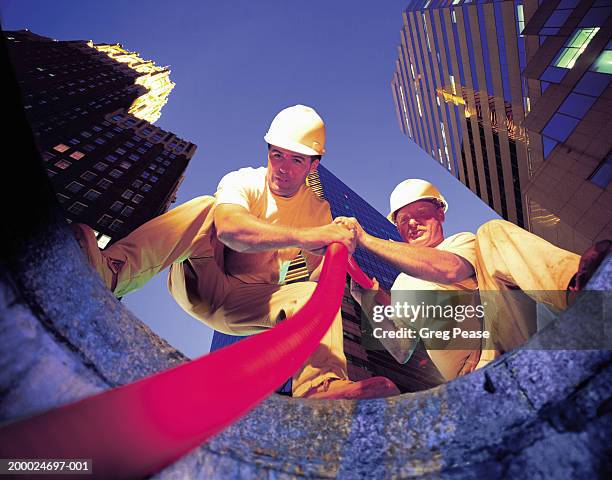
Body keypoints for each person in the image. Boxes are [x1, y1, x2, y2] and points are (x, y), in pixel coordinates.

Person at [72, 105, 399, 399]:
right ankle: (112, 273)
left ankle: (320, 385)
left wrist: (341, 266)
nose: (282, 168)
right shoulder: (244, 181)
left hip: (252, 304)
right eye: (277, 154)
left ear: (313, 165)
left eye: (296, 159)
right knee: (206, 208)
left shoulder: (318, 209)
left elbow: (318, 278)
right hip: (203, 280)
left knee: (312, 292)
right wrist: (307, 236)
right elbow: (231, 230)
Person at [337, 179, 610, 381]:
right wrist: (368, 295)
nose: (412, 224)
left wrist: (365, 240)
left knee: (492, 230)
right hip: (472, 377)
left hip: (503, 339)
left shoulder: (462, 243)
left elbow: (450, 270)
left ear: (440, 213)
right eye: (404, 219)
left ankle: (581, 289)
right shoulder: (400, 285)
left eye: (421, 214)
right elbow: (401, 348)